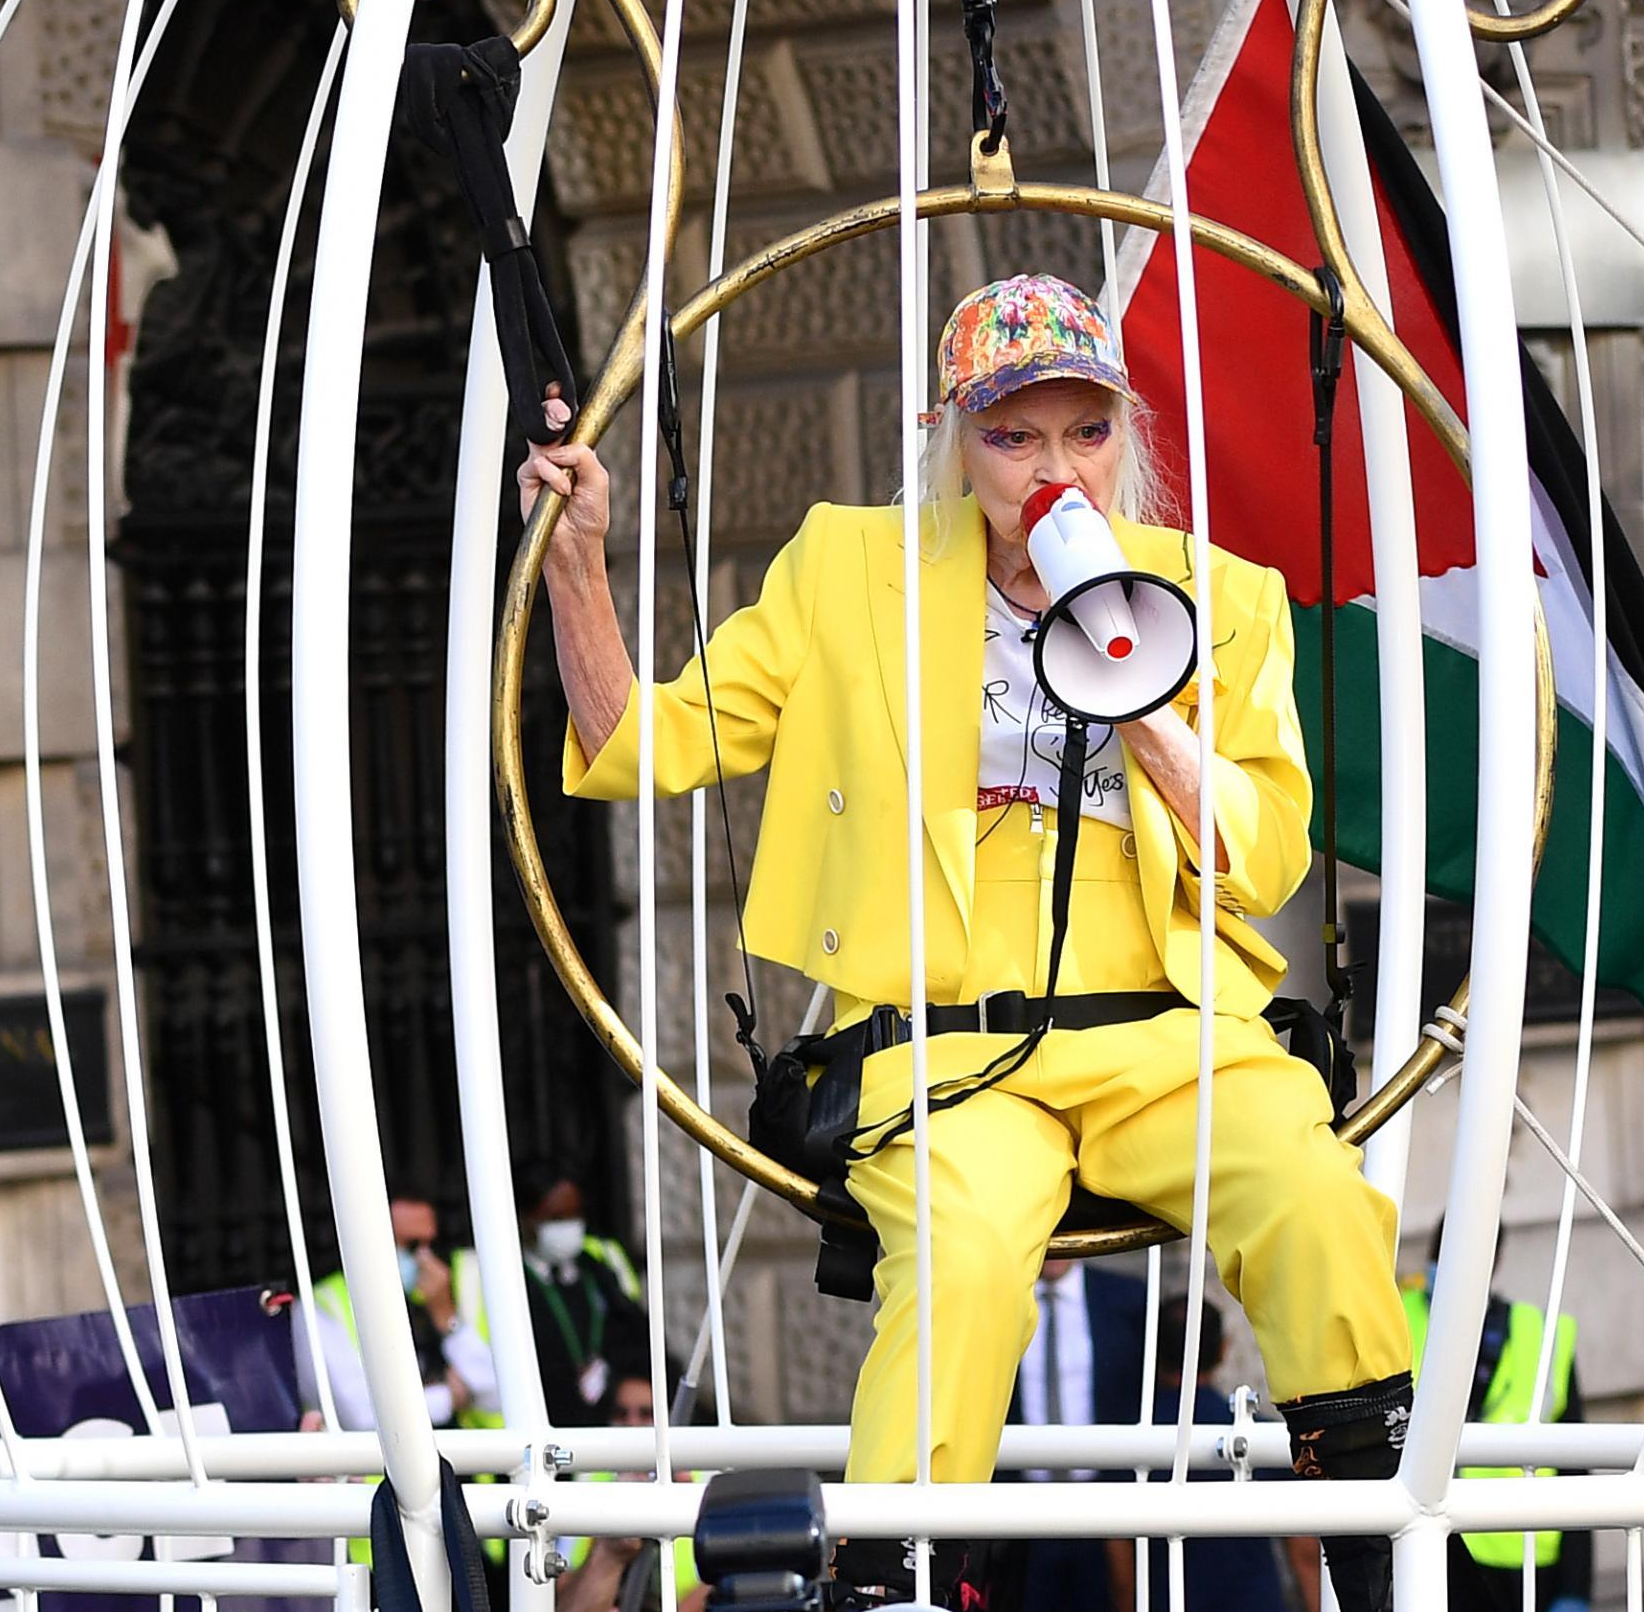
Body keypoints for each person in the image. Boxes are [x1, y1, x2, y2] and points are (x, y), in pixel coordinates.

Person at [526, 273, 1413, 1610]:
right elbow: (641, 741)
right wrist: (580, 562)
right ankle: (889, 1579)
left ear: (1129, 431)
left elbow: (1262, 854)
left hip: (1168, 1037)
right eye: (1014, 436)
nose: (1055, 466)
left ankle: (1379, 1548)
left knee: (1311, 1182)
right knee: (962, 1244)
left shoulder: (1219, 597)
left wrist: (1138, 691)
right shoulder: (851, 569)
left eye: (1085, 431)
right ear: (957, 439)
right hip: (950, 1053)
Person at [1397, 1258, 1592, 1612]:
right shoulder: (1399, 1319)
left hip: (1529, 1561)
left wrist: (1575, 1588)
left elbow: (1575, 1464)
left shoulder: (1541, 1334)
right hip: (1430, 1551)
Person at [1105, 1297, 1322, 1612]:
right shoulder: (1259, 1438)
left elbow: (1121, 1568)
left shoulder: (1125, 1443)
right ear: (1223, 1349)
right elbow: (1305, 1556)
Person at [979, 1259, 1153, 1610]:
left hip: (1105, 1510)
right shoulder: (992, 1300)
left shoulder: (1128, 1299)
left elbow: (1143, 1395)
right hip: (1019, 1515)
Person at [454, 1164, 656, 1428]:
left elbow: (634, 1334)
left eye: (575, 1215)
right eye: (556, 1218)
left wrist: (609, 1369)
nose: (569, 1228)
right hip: (529, 1431)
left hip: (601, 1425)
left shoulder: (599, 1264)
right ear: (525, 1219)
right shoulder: (493, 1275)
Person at [300, 1186, 498, 1431]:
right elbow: (360, 1415)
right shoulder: (324, 1305)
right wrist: (448, 1397)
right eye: (412, 1245)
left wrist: (447, 1318)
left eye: (431, 1244)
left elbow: (498, 1393)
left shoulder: (446, 1287)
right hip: (377, 1468)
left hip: (463, 1463)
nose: (425, 1258)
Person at [553, 1372, 708, 1612]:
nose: (632, 1424)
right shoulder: (591, 1480)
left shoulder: (704, 1480)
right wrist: (605, 1547)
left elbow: (723, 1581)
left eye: (646, 1414)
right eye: (621, 1414)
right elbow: (562, 1589)